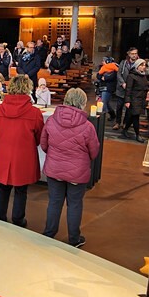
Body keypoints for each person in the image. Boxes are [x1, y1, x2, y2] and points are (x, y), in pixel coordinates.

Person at [41, 88, 100, 247]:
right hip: (77, 172)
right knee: (74, 204)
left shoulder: (51, 120)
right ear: (82, 102)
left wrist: (55, 156)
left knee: (54, 202)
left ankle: (49, 234)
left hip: (54, 169)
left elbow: (44, 144)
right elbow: (94, 151)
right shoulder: (87, 126)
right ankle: (74, 239)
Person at [0, 75, 44, 227]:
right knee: (21, 189)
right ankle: (18, 218)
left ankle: (0, 215)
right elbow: (39, 136)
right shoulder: (34, 113)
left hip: (4, 152)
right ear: (27, 89)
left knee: (3, 187)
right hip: (24, 154)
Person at [123, 58, 149, 142]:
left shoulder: (143, 76)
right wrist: (127, 101)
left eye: (144, 65)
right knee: (136, 117)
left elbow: (145, 86)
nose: (143, 67)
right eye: (141, 65)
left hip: (141, 99)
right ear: (137, 66)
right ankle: (137, 135)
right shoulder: (131, 76)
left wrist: (148, 90)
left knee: (133, 116)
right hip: (134, 99)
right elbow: (128, 89)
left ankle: (125, 129)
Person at [113, 48, 140, 129]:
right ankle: (117, 122)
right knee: (119, 106)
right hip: (122, 89)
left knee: (129, 108)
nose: (134, 55)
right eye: (132, 53)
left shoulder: (139, 63)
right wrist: (122, 83)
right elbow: (119, 74)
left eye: (135, 53)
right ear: (129, 54)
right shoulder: (124, 62)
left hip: (132, 89)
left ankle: (125, 123)